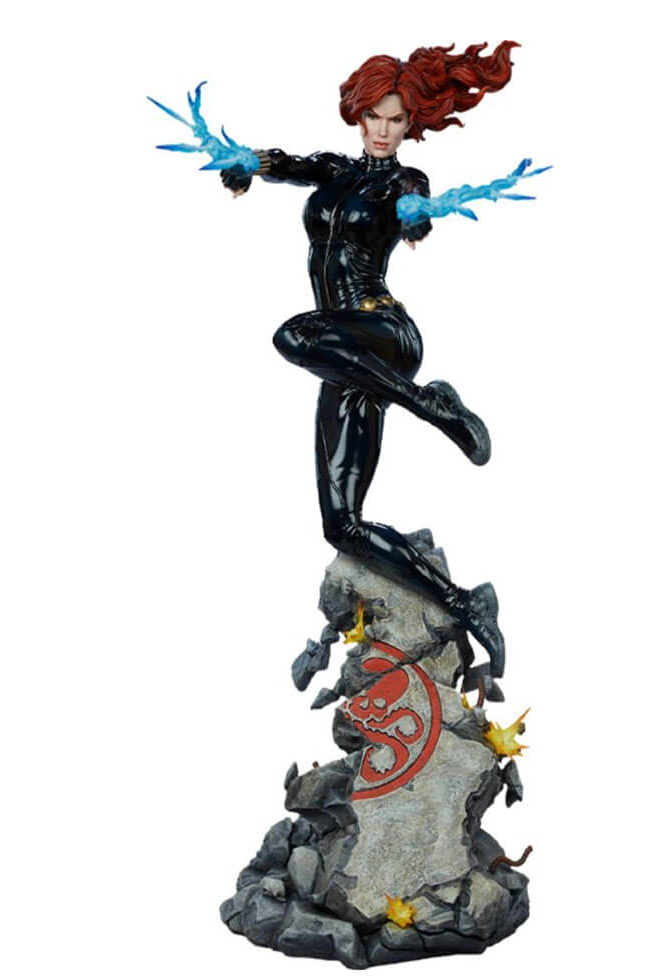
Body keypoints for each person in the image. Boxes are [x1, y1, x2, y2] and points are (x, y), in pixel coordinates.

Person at [221, 42, 518, 679]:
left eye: (397, 120)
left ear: (411, 125)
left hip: (383, 333)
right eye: (375, 117)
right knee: (342, 525)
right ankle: (467, 604)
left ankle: (432, 407)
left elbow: (417, 211)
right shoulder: (334, 169)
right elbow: (286, 162)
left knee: (291, 334)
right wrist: (247, 164)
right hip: (345, 357)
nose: (384, 130)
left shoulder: (405, 182)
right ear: (358, 116)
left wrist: (414, 219)